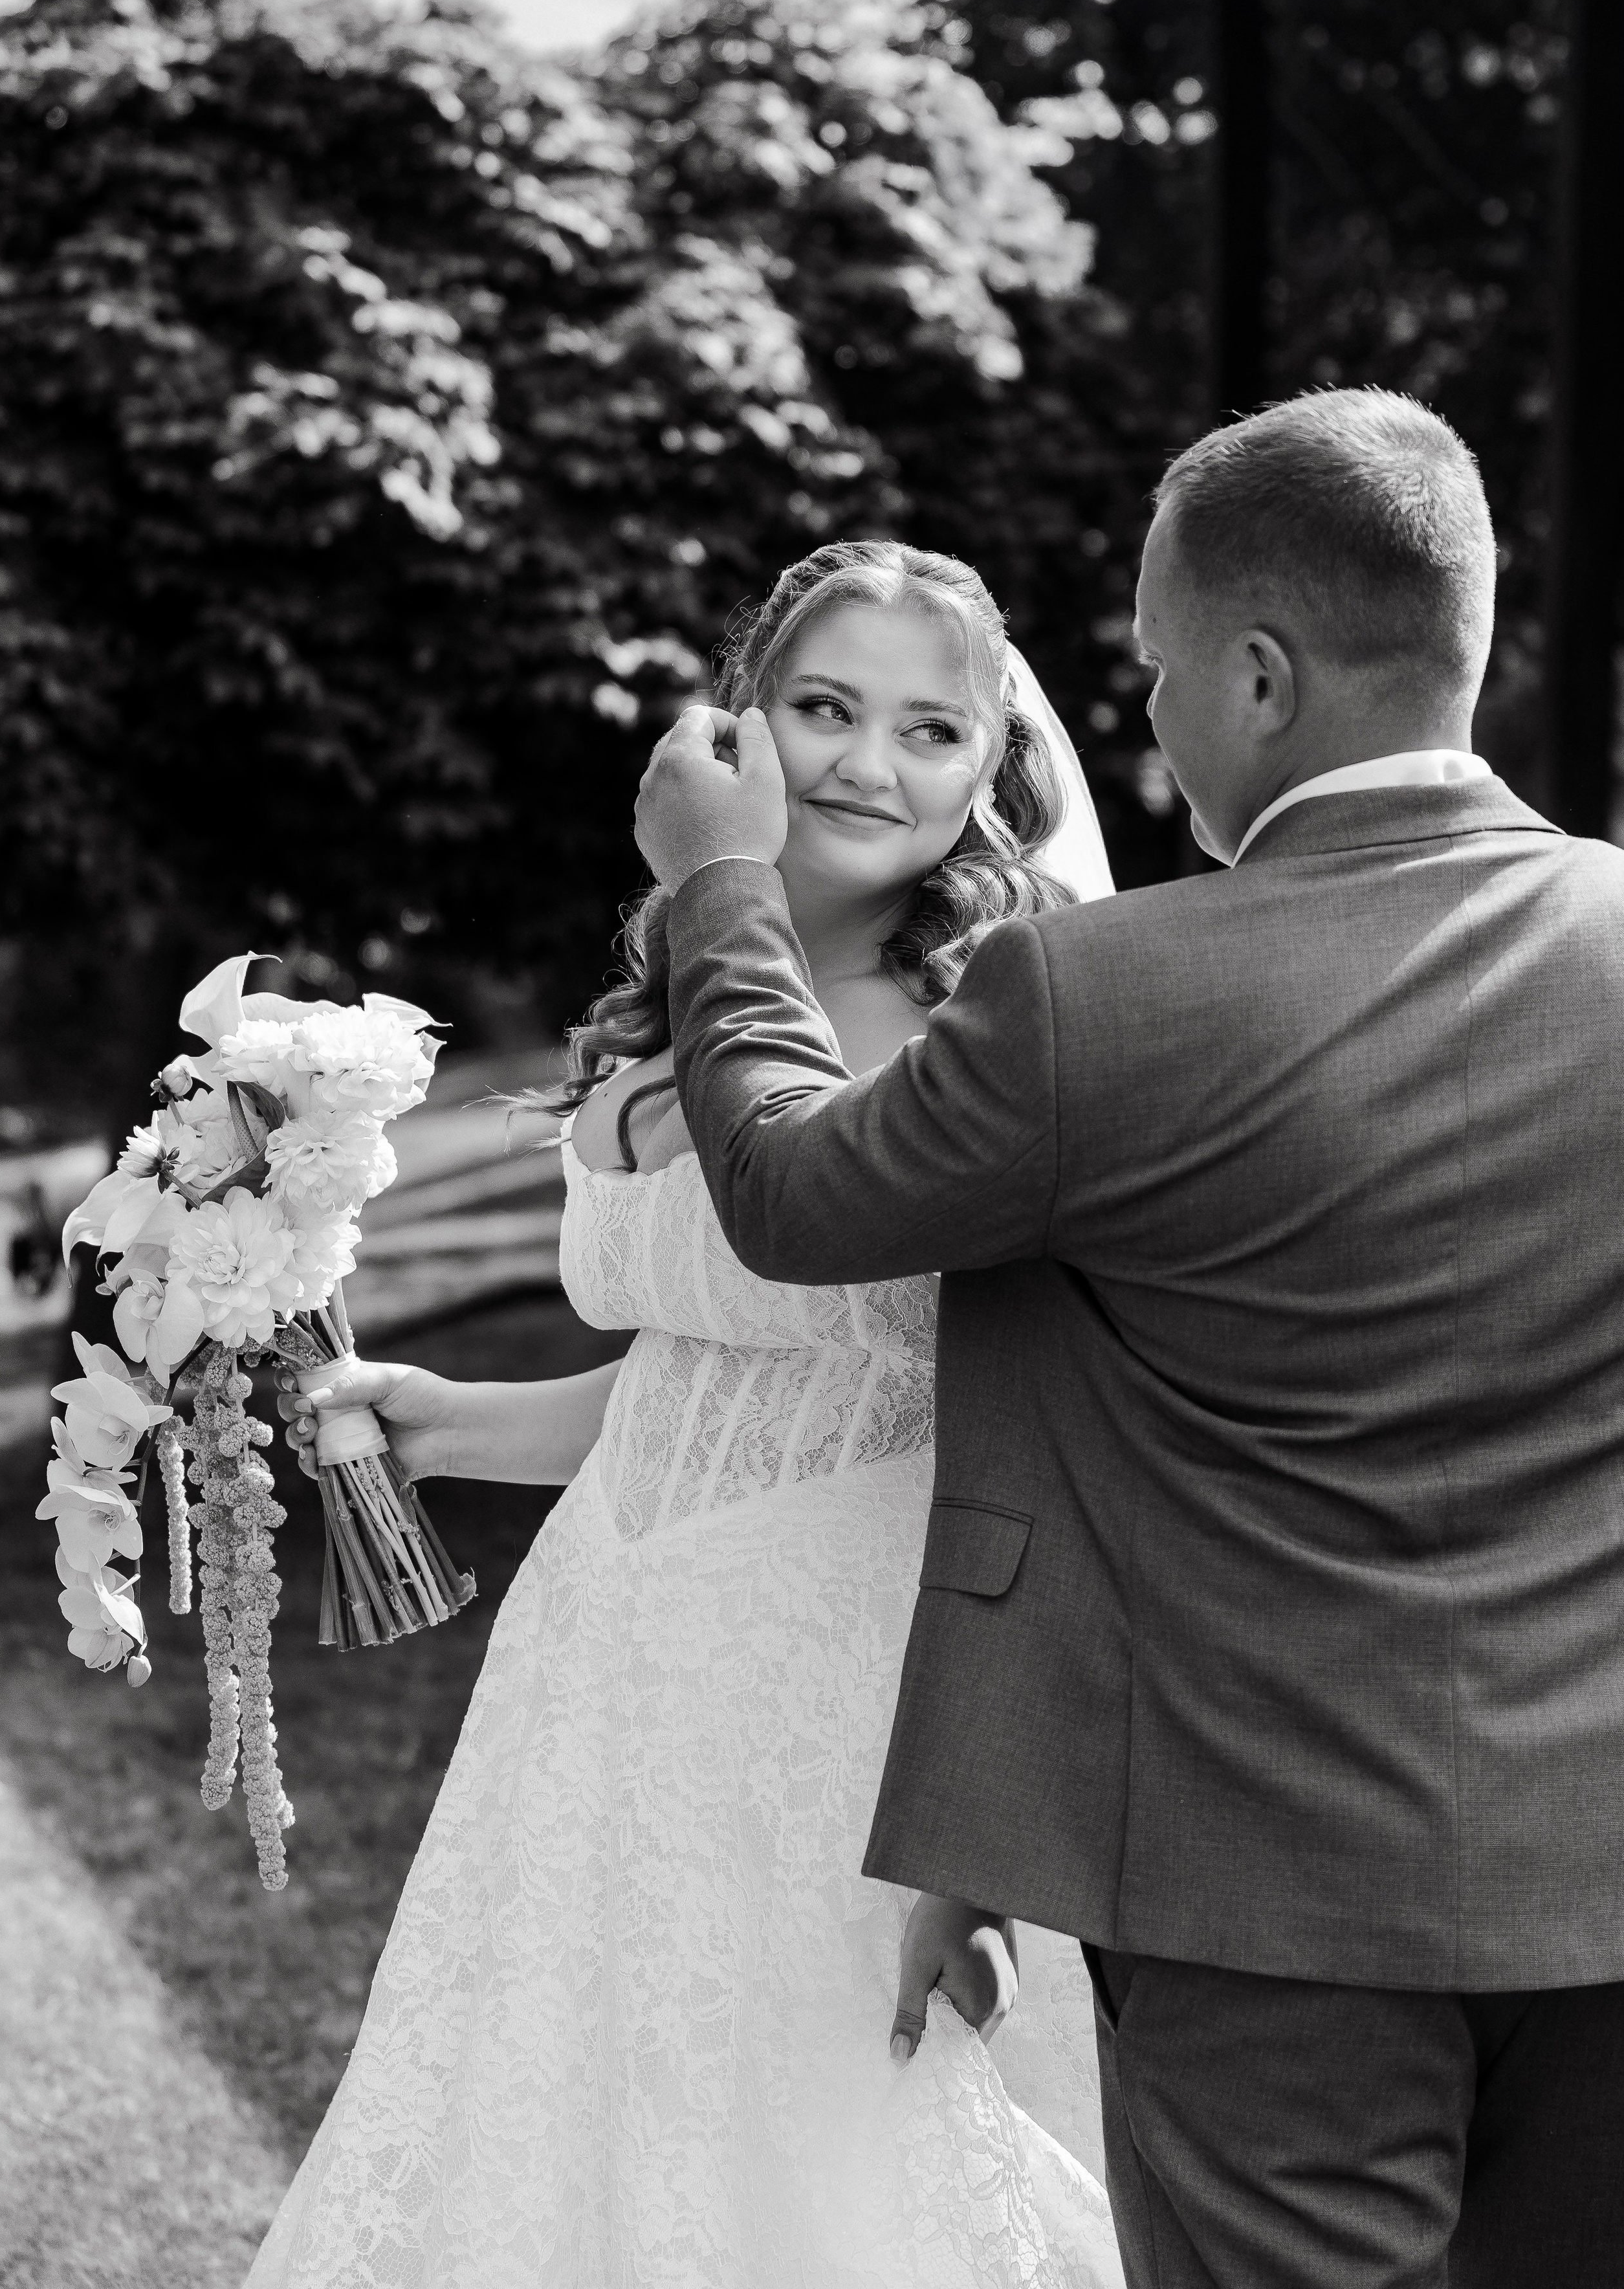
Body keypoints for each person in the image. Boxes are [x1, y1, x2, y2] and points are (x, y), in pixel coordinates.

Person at [637, 389, 1624, 2289]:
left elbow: (790, 1197)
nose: (1147, 726)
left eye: (1161, 674)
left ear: (1257, 677)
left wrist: (723, 891)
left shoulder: (1097, 995)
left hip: (1261, 1906)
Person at [244, 542, 1123, 2289]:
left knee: (822, 2148)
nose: (876, 764)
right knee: (562, 2118)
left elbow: (1021, 1427)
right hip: (609, 1659)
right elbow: (705, 1392)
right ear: (740, 727)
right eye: (825, 709)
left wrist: (995, 1843)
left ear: (990, 771)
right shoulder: (668, 1023)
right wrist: (430, 1414)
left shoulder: (988, 1035)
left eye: (932, 730)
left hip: (847, 1695)